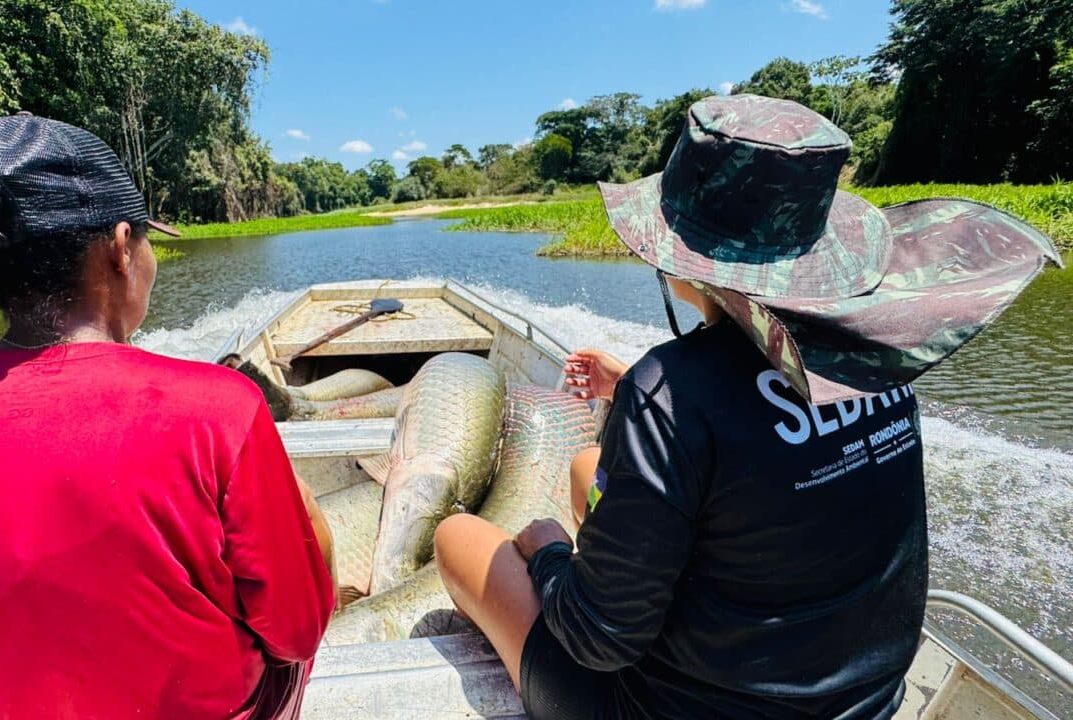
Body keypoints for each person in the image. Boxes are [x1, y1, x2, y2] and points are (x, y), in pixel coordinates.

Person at [434, 95, 1061, 720]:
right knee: (585, 470)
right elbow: (762, 430)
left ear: (682, 260)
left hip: (663, 708)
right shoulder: (877, 361)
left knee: (459, 538)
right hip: (862, 703)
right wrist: (627, 385)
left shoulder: (670, 391)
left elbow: (601, 643)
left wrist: (548, 555)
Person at [0, 113, 337, 719]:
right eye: (150, 243)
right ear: (122, 250)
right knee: (309, 518)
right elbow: (296, 633)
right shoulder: (219, 408)